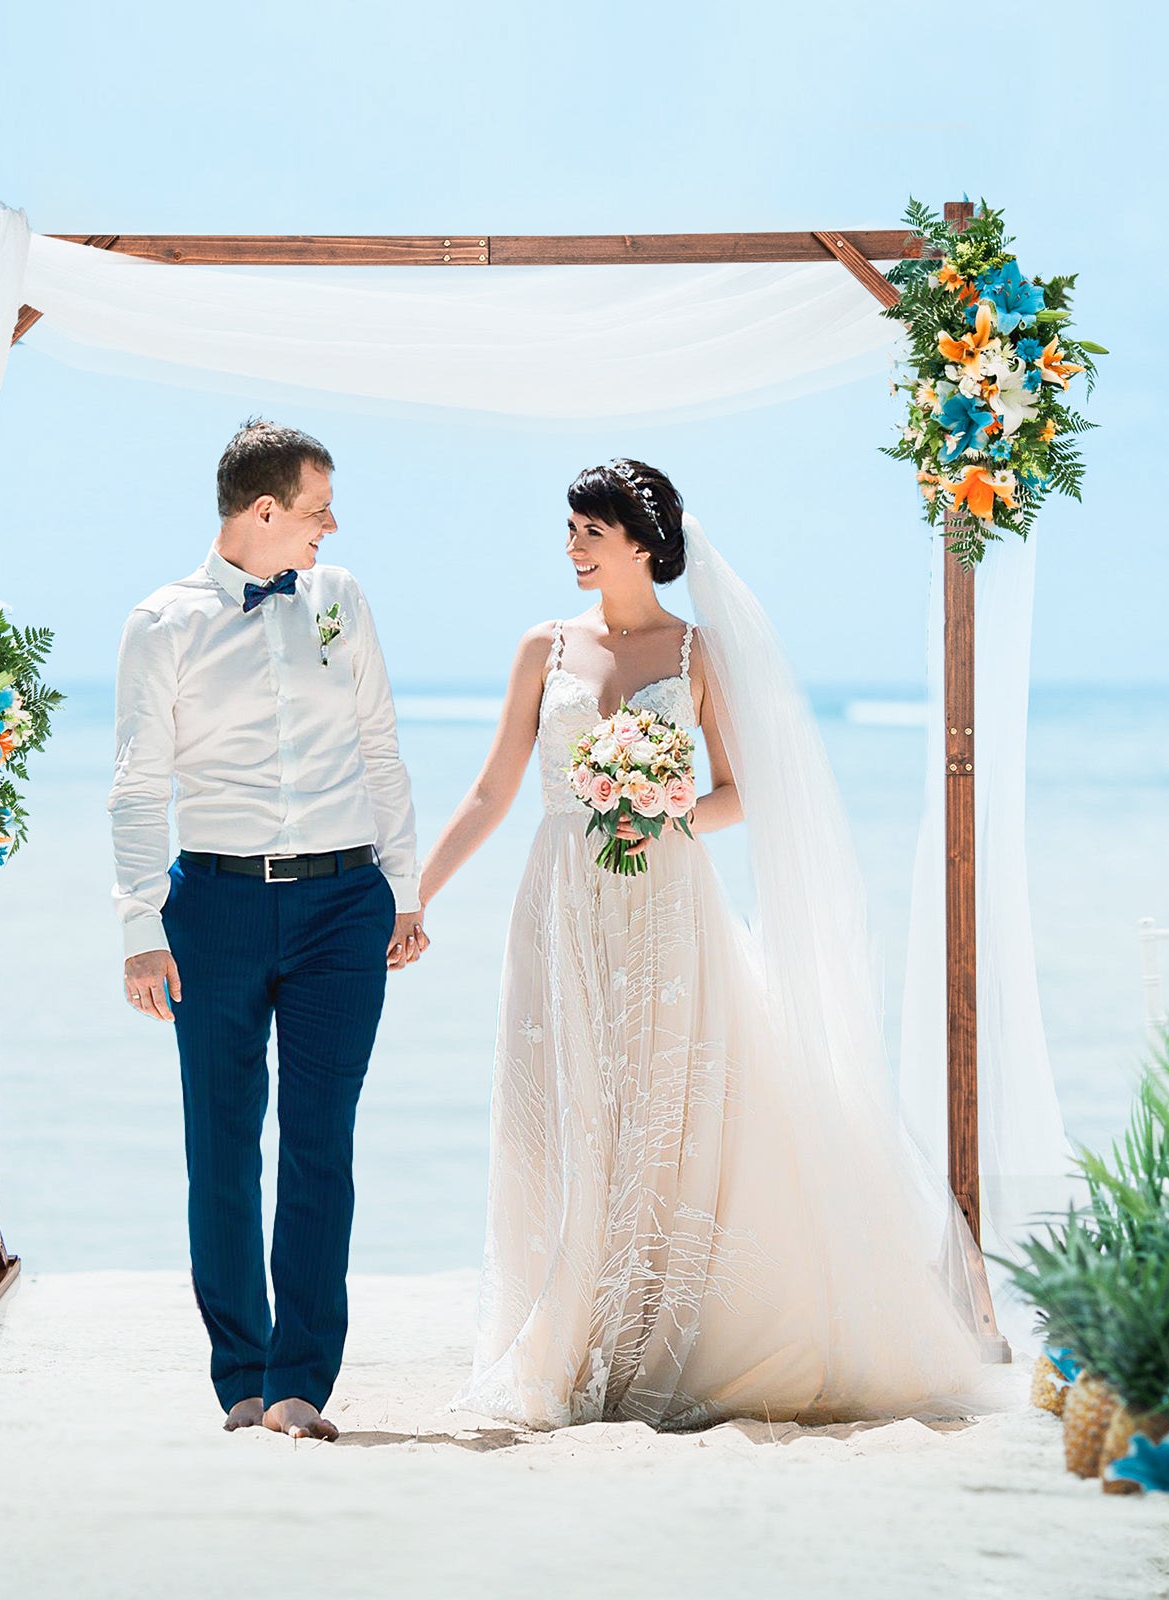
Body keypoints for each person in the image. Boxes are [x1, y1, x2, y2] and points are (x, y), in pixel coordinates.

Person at [418, 458, 989, 1430]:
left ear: (641, 540)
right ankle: (559, 1331)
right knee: (565, 1105)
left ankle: (649, 1337)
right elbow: (491, 791)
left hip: (666, 903)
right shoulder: (543, 648)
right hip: (559, 899)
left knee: (665, 1108)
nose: (571, 549)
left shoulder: (697, 656)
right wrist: (413, 893)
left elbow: (744, 790)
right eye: (568, 531)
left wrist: (664, 806)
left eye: (587, 533)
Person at [108, 418, 428, 1440]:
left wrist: (404, 889)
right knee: (221, 1149)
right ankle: (241, 1380)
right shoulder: (161, 623)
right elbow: (135, 784)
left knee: (321, 1147)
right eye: (316, 507)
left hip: (344, 905)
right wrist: (138, 928)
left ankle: (301, 1385)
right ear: (263, 513)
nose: (331, 524)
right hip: (214, 909)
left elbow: (380, 744)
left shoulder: (343, 600)